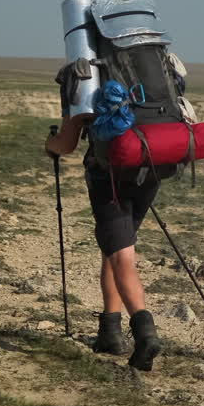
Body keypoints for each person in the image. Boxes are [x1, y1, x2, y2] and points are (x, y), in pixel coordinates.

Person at [46, 118, 163, 371]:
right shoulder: (159, 76)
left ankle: (145, 334)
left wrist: (51, 145)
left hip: (109, 172)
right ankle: (110, 331)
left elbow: (66, 143)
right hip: (151, 165)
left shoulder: (87, 76)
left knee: (121, 253)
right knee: (114, 244)